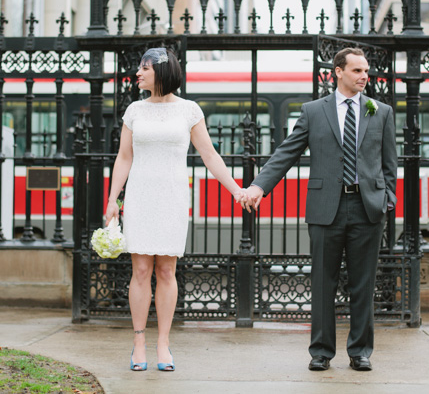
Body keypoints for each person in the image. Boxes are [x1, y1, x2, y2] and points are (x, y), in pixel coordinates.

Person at [240, 47, 397, 372]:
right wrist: (258, 186)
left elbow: (389, 163)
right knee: (323, 282)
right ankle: (321, 352)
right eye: (357, 71)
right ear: (338, 71)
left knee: (363, 283)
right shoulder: (314, 111)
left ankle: (360, 351)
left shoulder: (380, 111)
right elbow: (288, 151)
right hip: (326, 208)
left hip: (368, 209)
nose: (364, 76)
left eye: (366, 71)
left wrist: (387, 200)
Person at [104, 47, 245, 372]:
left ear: (163, 72)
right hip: (139, 196)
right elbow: (124, 157)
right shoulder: (134, 110)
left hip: (172, 196)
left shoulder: (189, 110)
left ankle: (163, 343)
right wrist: (113, 199)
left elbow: (210, 155)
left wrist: (236, 189)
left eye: (144, 68)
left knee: (166, 271)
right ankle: (139, 341)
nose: (138, 73)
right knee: (140, 271)